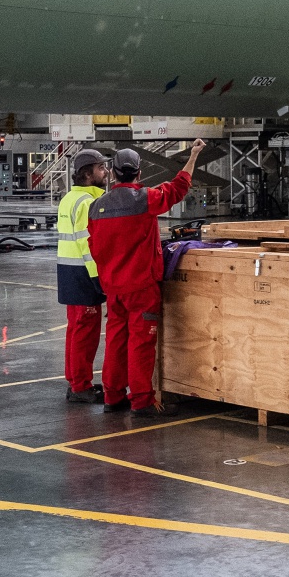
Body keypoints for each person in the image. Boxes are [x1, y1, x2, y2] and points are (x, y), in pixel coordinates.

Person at [86, 138, 206, 417]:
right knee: (141, 342)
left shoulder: (97, 207)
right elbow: (179, 187)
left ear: (113, 174)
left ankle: (113, 397)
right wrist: (194, 155)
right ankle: (141, 401)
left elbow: (94, 246)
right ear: (139, 173)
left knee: (116, 340)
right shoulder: (145, 199)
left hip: (113, 287)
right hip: (140, 286)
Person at [55, 148, 110, 404]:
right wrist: (99, 280)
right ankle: (80, 387)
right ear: (88, 174)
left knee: (75, 331)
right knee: (85, 334)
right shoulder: (88, 203)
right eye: (101, 168)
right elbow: (88, 246)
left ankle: (75, 381)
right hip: (83, 274)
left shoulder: (69, 198)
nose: (106, 172)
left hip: (69, 271)